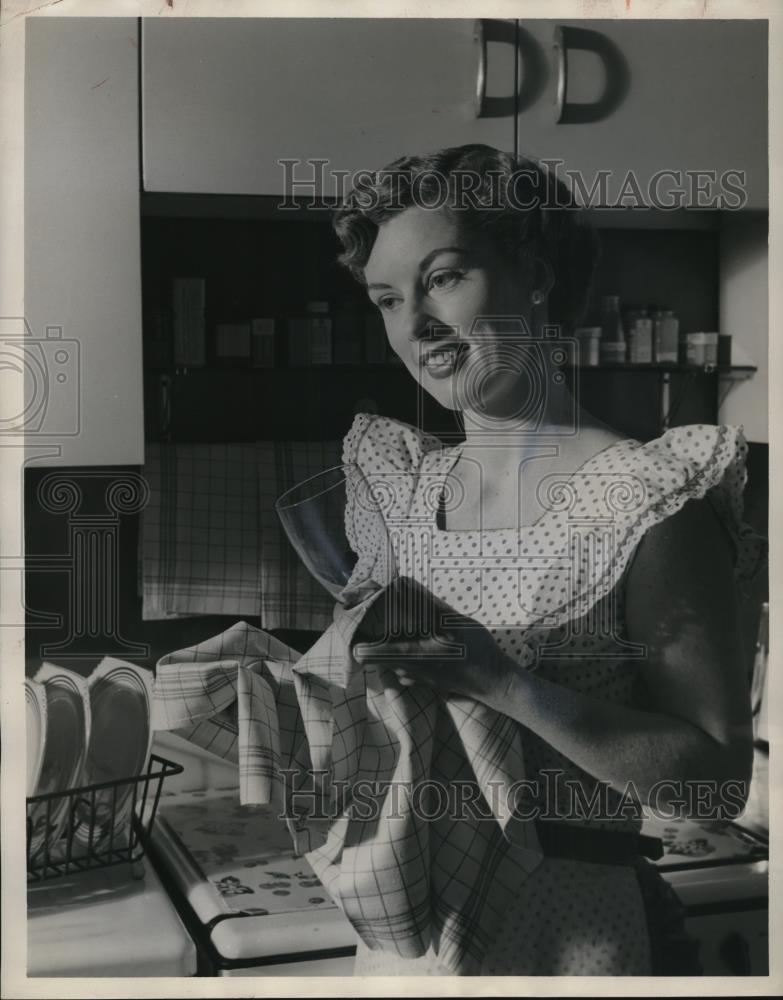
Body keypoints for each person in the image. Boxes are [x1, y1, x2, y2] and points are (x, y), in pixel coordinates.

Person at [327, 144, 764, 975]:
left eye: (444, 278)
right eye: (387, 298)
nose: (413, 323)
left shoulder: (645, 497)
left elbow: (712, 787)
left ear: (533, 274)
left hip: (566, 933)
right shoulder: (401, 488)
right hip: (409, 941)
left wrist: (502, 682)